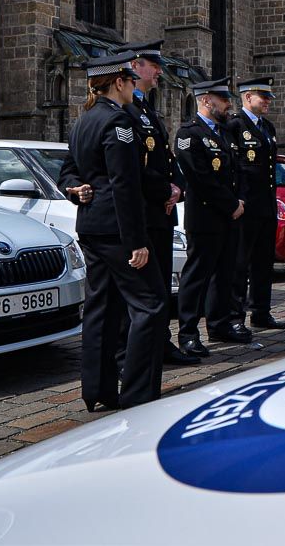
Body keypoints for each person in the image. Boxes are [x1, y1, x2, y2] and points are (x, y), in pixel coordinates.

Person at [59, 51, 167, 411]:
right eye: (131, 82)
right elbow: (124, 183)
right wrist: (136, 241)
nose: (134, 87)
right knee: (150, 305)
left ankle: (98, 390)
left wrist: (77, 187)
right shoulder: (118, 122)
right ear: (119, 83)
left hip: (92, 226)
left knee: (101, 309)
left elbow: (68, 172)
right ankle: (139, 395)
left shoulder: (83, 121)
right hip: (117, 229)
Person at [107, 40, 197, 366]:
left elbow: (167, 159)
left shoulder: (147, 110)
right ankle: (126, 354)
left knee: (157, 287)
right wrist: (165, 190)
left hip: (161, 210)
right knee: (136, 290)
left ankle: (160, 342)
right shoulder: (124, 111)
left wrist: (178, 188)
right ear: (134, 66)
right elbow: (133, 169)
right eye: (153, 65)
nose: (159, 71)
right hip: (144, 211)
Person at [174, 77, 248, 356]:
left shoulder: (226, 133)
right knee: (197, 277)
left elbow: (238, 170)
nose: (229, 104)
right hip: (206, 216)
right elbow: (200, 177)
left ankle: (219, 324)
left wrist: (239, 200)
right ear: (206, 100)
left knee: (225, 274)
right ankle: (188, 333)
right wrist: (231, 204)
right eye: (223, 99)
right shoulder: (188, 134)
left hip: (230, 215)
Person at [225, 77, 285, 331]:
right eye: (264, 97)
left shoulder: (267, 127)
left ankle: (261, 311)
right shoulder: (235, 126)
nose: (268, 102)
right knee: (240, 264)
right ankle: (235, 316)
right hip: (246, 205)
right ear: (248, 97)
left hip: (266, 205)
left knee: (263, 262)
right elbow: (233, 167)